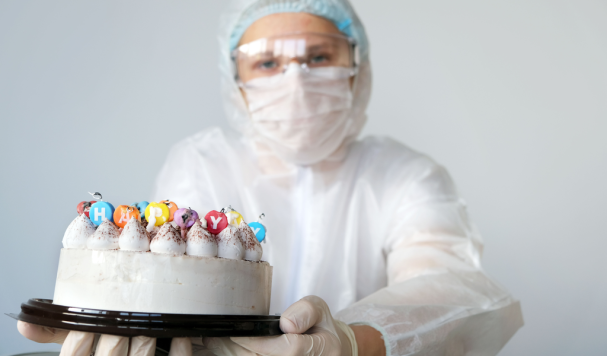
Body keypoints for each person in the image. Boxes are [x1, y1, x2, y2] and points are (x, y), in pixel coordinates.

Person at [18, 0, 523, 355]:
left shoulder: (405, 176)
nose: (296, 80)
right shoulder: (202, 162)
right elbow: (175, 285)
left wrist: (351, 342)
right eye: (267, 62)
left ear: (358, 67)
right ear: (236, 81)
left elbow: (452, 296)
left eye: (319, 57)